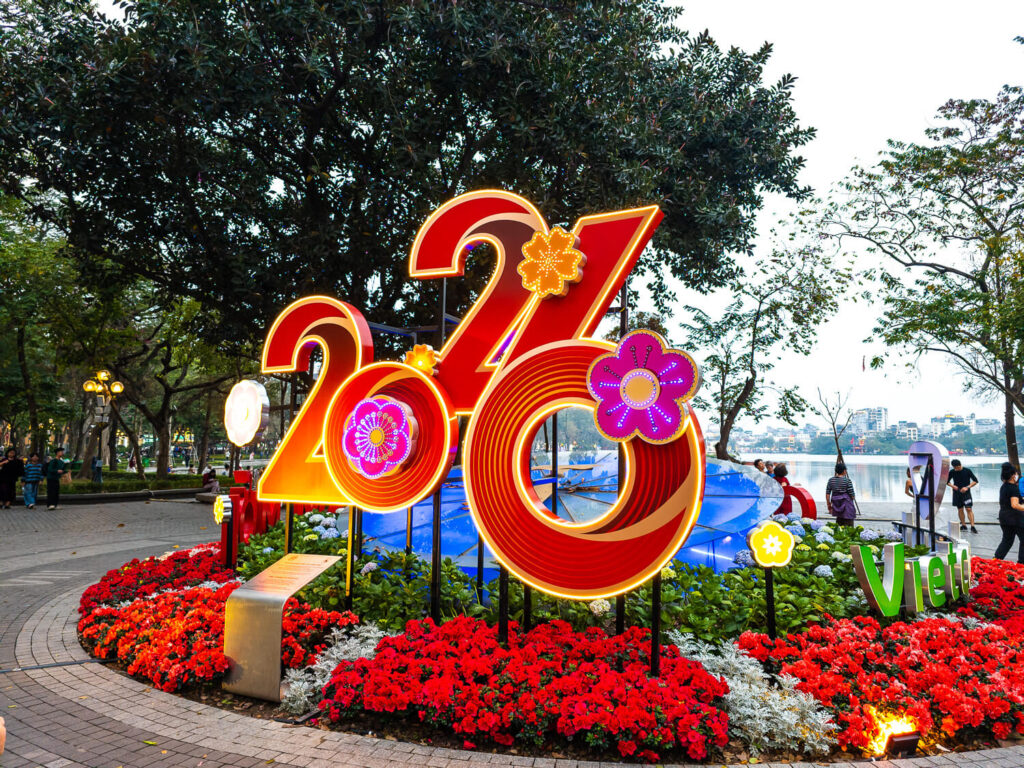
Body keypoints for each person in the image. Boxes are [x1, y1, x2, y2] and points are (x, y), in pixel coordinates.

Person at [994, 462, 1024, 564]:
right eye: (1016, 474)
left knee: (1007, 541)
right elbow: (1015, 505)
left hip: (1004, 517)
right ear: (1012, 475)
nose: (1017, 476)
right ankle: (1021, 564)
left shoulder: (1004, 486)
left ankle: (996, 561)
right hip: (1015, 519)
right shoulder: (1013, 488)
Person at [947, 459, 979, 533]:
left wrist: (967, 487)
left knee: (969, 509)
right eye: (955, 468)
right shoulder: (952, 472)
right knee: (960, 509)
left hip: (966, 493)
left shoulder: (967, 470)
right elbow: (947, 481)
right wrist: (952, 486)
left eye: (957, 468)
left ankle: (972, 526)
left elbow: (975, 481)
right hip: (957, 493)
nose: (956, 469)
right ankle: (964, 525)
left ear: (960, 465)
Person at [825, 461, 857, 526]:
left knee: (839, 523)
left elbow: (827, 493)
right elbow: (852, 495)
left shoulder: (831, 480)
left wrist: (829, 504)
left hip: (836, 504)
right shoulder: (847, 481)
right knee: (849, 524)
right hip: (846, 505)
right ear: (844, 471)